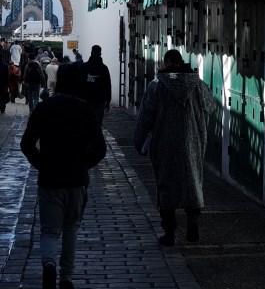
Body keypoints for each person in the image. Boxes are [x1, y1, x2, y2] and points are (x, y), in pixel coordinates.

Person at [20, 62, 106, 289]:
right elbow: (100, 149)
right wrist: (82, 165)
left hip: (50, 179)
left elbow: (26, 144)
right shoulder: (85, 109)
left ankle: (49, 265)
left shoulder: (44, 108)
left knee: (49, 231)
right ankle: (66, 278)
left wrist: (43, 165)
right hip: (77, 181)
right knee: (70, 230)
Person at [133, 49, 218, 246]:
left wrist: (138, 140)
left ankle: (170, 233)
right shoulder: (198, 85)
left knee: (166, 186)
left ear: (167, 63)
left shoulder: (157, 86)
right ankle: (193, 220)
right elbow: (210, 106)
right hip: (192, 142)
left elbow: (145, 116)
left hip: (164, 143)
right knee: (193, 182)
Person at [82, 45, 113, 124]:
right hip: (99, 100)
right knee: (98, 123)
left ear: (91, 53)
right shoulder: (104, 68)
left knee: (86, 123)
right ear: (100, 54)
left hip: (86, 99)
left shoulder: (84, 67)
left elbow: (79, 83)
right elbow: (108, 85)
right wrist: (108, 100)